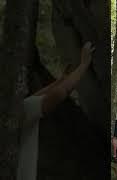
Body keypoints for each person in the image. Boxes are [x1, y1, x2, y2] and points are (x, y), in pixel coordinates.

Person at [18, 41, 95, 180]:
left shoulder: (13, 110)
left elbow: (35, 98)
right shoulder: (19, 112)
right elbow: (60, 94)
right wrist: (84, 64)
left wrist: (60, 80)